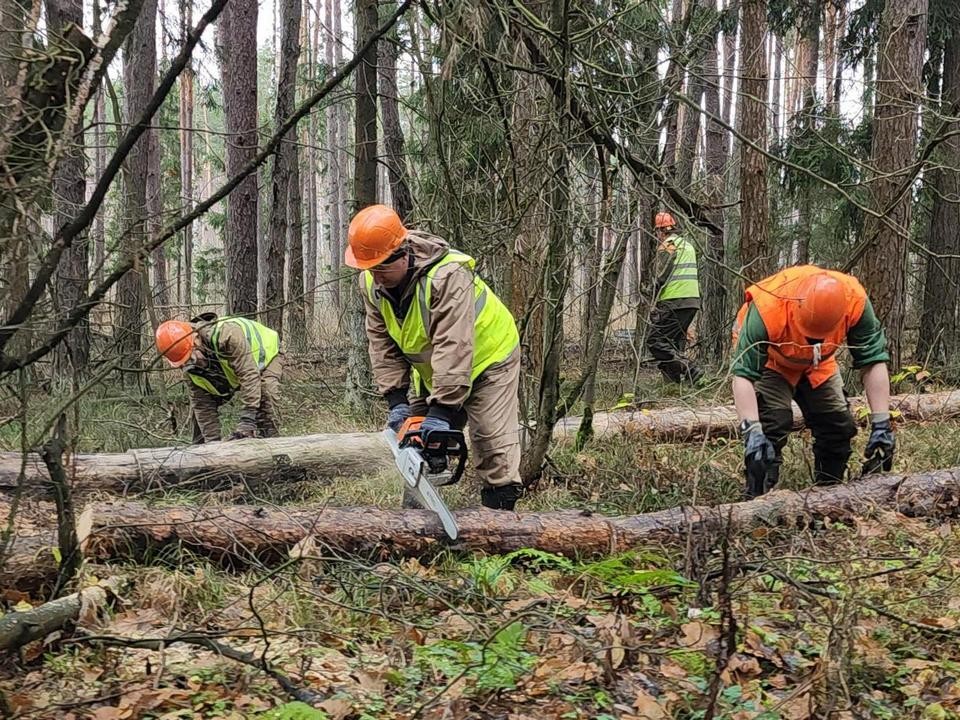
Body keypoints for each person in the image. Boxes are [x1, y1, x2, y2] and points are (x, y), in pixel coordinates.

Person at [345, 204, 524, 510]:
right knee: (416, 439)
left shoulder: (448, 276)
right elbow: (381, 342)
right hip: (435, 366)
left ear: (402, 253)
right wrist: (397, 401)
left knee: (491, 442)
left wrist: (441, 412)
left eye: (382, 267)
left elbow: (454, 344)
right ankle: (415, 519)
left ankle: (500, 519)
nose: (376, 276)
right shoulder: (371, 284)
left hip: (489, 359)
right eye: (370, 268)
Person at [730, 265, 895, 498]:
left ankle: (829, 493)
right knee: (772, 424)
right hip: (772, 361)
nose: (812, 339)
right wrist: (752, 431)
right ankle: (759, 497)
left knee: (837, 424)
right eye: (809, 335)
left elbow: (873, 361)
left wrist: (881, 423)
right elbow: (744, 375)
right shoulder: (768, 307)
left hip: (819, 361)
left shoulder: (855, 301)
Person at [155, 314, 283, 443]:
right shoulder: (190, 368)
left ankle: (274, 444)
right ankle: (201, 449)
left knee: (267, 394)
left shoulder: (227, 335)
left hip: (266, 354)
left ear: (196, 339)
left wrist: (247, 420)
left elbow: (249, 375)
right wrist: (213, 445)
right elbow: (202, 405)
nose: (192, 364)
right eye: (185, 363)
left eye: (191, 358)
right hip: (231, 371)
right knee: (200, 417)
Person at [647, 211, 703, 384]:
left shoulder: (668, 246)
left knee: (655, 341)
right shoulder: (687, 246)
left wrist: (650, 295)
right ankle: (674, 384)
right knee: (672, 343)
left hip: (674, 300)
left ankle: (689, 368)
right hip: (692, 301)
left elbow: (661, 276)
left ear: (660, 231)